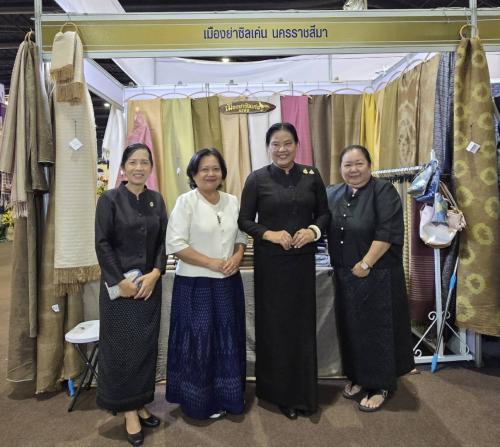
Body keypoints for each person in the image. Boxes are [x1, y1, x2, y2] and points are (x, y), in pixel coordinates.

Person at [238, 122, 330, 420]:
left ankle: (304, 392)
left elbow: (324, 214)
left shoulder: (312, 175)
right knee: (275, 328)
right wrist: (270, 234)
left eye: (287, 143)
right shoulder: (257, 179)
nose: (282, 149)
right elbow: (244, 220)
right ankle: (279, 394)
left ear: (297, 145)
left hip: (302, 264)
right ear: (268, 147)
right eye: (276, 144)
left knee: (301, 326)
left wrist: (313, 231)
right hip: (271, 266)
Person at [326, 144, 414, 412]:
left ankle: (380, 385)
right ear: (340, 168)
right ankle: (357, 376)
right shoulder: (333, 193)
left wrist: (366, 263)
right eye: (347, 165)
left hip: (377, 274)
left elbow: (386, 232)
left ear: (369, 165)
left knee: (377, 331)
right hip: (345, 275)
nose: (353, 169)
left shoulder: (383, 191)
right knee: (351, 328)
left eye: (359, 163)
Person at [165, 148, 247, 420]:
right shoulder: (186, 202)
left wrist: (237, 256)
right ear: (193, 174)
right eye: (204, 169)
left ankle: (228, 397)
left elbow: (242, 236)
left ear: (222, 173)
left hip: (228, 283)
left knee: (227, 339)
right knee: (199, 342)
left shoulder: (232, 201)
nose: (210, 174)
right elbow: (175, 244)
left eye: (215, 169)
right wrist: (210, 262)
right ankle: (199, 402)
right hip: (195, 285)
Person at [95, 143, 168, 446]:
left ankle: (139, 403)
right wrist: (119, 280)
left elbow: (164, 241)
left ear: (151, 167)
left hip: (149, 287)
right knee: (122, 350)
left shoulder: (157, 200)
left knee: (145, 349)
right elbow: (102, 244)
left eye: (144, 162)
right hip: (120, 292)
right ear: (124, 167)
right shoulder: (109, 200)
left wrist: (156, 272)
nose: (139, 168)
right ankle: (128, 411)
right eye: (133, 162)